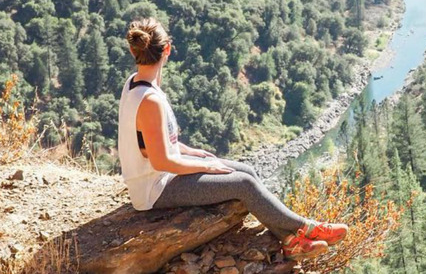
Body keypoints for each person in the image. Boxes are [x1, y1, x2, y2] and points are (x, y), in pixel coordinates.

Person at [117, 18, 348, 261]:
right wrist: (205, 166)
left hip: (160, 177)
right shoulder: (150, 100)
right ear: (167, 50)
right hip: (154, 190)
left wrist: (191, 152)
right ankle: (307, 227)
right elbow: (162, 160)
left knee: (246, 170)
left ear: (135, 51)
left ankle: (290, 241)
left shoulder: (135, 84)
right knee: (243, 185)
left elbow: (149, 143)